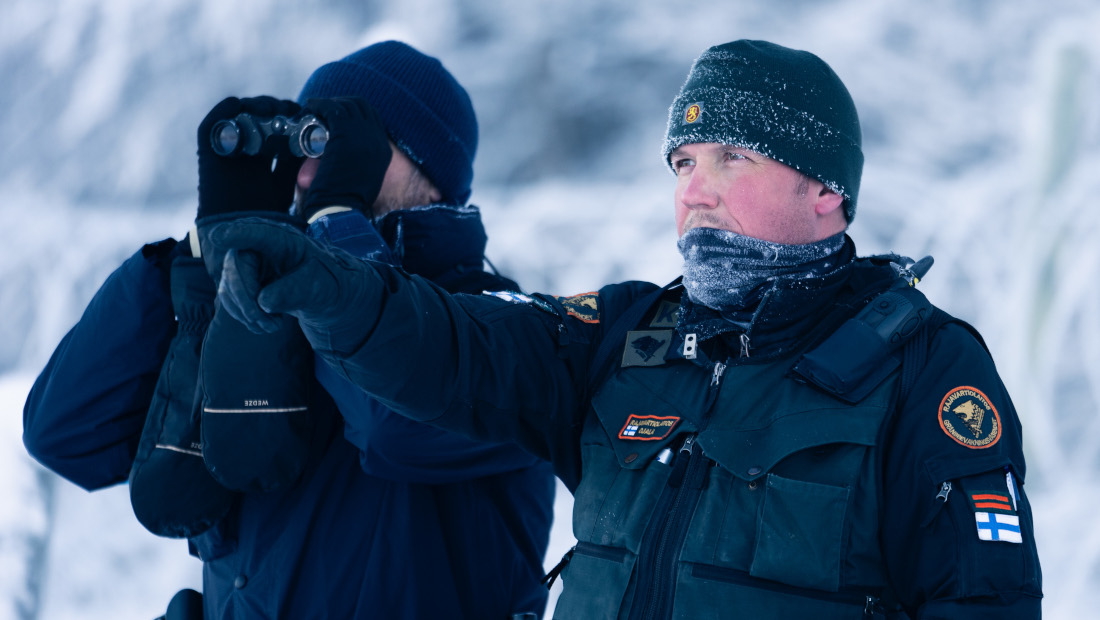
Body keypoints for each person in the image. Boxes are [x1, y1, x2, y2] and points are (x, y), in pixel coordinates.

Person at [202, 39, 1045, 618]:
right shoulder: (622, 336)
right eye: (683, 163)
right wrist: (334, 285)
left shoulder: (920, 368)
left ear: (827, 189)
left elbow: (983, 604)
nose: (694, 190)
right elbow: (453, 348)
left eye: (732, 157)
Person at [23, 41, 555, 619]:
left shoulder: (507, 329)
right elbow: (69, 436)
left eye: (351, 146)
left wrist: (335, 234)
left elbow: (393, 428)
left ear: (432, 175)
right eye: (311, 140)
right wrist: (200, 255)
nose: (308, 173)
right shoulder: (267, 307)